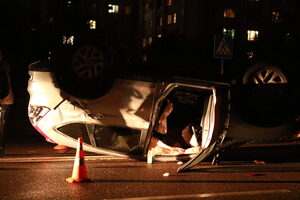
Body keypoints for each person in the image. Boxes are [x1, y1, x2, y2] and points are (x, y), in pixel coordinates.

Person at [0, 50, 14, 157]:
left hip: (5, 98)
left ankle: (1, 149)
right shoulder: (5, 66)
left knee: (2, 126)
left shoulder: (5, 66)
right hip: (5, 97)